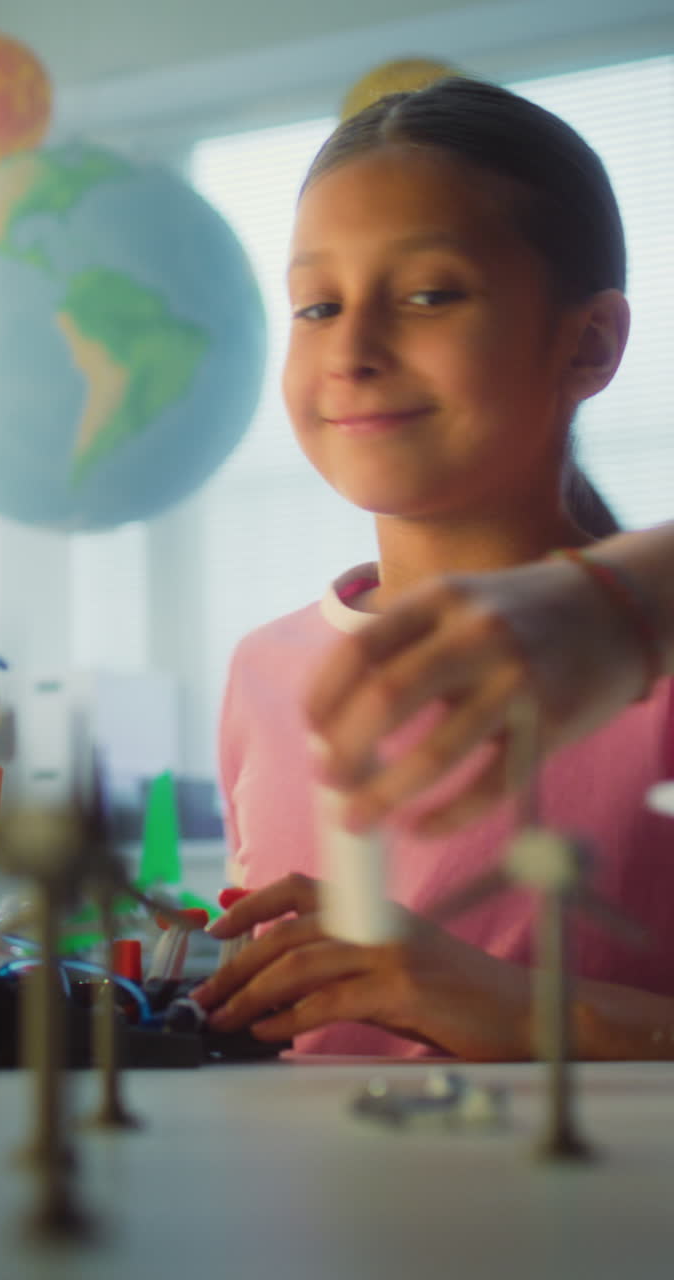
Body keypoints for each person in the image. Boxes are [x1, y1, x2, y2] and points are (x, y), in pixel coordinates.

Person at [194, 78, 674, 1061]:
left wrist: (519, 1008)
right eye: (317, 305)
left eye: (428, 295)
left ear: (589, 343)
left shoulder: (650, 657)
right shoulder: (262, 670)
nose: (352, 350)